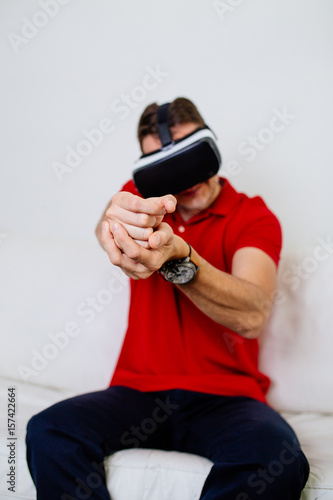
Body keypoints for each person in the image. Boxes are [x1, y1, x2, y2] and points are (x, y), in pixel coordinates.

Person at [26, 97, 309, 500]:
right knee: (49, 430)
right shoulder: (148, 202)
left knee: (276, 459)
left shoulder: (254, 217)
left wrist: (180, 257)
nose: (182, 175)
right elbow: (110, 219)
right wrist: (112, 225)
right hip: (137, 393)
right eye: (161, 162)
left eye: (188, 153)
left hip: (226, 398)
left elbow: (252, 313)